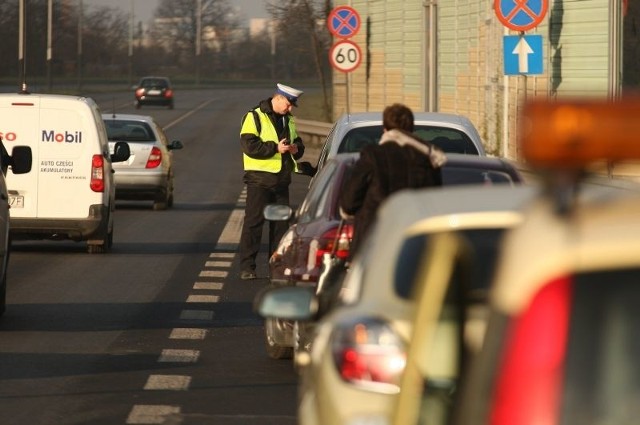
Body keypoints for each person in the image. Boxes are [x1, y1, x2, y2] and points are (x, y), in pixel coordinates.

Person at [339, 103, 446, 259]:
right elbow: (435, 206)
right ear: (411, 131)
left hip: (372, 246)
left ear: (385, 129)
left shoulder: (373, 156)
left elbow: (349, 203)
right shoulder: (429, 160)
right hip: (413, 250)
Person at [238, 83, 305, 280]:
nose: (290, 108)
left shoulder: (288, 120)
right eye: (289, 104)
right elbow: (249, 146)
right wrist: (275, 149)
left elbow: (298, 143)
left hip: (281, 180)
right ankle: (247, 267)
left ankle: (276, 267)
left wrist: (295, 149)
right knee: (254, 224)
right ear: (279, 98)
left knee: (280, 226)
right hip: (259, 179)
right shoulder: (254, 116)